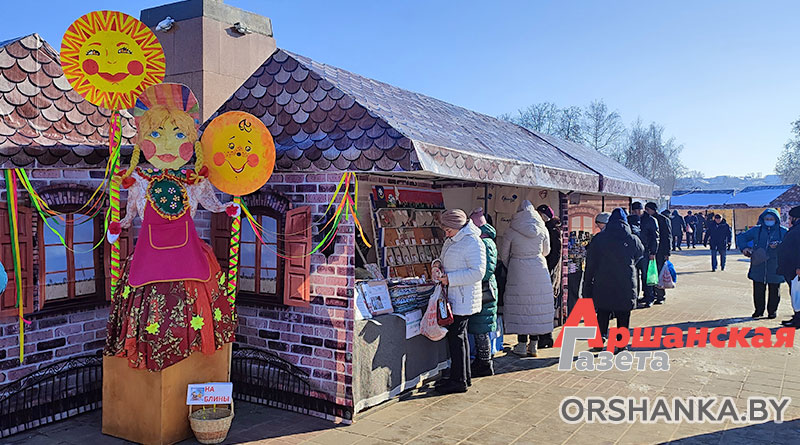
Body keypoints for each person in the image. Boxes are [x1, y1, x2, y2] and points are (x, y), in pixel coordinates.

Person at [104, 84, 239, 371]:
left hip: (189, 257)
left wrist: (226, 208)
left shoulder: (193, 181)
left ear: (191, 142)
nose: (167, 144)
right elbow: (130, 214)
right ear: (142, 141)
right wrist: (120, 225)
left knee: (197, 311)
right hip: (148, 259)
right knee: (149, 314)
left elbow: (212, 203)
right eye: (156, 135)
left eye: (178, 136)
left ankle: (194, 360)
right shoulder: (139, 182)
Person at [435, 209, 486, 394]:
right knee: (459, 337)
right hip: (453, 295)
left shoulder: (473, 242)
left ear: (457, 226)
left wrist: (450, 279)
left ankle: (459, 381)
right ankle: (463, 377)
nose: (446, 234)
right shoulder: (452, 240)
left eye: (448, 230)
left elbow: (478, 272)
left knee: (457, 337)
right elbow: (444, 259)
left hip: (463, 297)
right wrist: (437, 264)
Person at [583, 208, 644, 353]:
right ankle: (621, 344)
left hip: (603, 280)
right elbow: (640, 254)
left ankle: (599, 341)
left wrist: (587, 283)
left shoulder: (599, 239)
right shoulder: (632, 238)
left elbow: (591, 262)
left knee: (603, 312)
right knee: (623, 313)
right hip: (626, 281)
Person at [500, 200, 554, 358]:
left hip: (518, 268)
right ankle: (534, 345)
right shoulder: (542, 228)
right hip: (538, 268)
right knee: (535, 307)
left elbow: (504, 254)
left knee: (520, 307)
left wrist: (512, 264)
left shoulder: (511, 230)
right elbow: (546, 251)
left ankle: (522, 345)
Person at [736, 209, 788, 319]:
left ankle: (772, 311)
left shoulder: (783, 231)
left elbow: (790, 244)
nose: (769, 221)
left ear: (776, 220)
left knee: (774, 290)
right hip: (758, 264)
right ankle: (759, 310)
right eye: (767, 219)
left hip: (775, 265)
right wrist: (744, 248)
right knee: (758, 289)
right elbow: (741, 237)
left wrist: (779, 245)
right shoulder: (756, 230)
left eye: (771, 219)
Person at [467, 208, 498, 377]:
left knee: (481, 327)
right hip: (485, 288)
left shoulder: (485, 243)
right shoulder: (487, 240)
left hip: (485, 289)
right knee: (480, 326)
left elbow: (486, 270)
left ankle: (485, 363)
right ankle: (482, 360)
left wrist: (472, 275)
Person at [537, 205, 561, 349]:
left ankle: (546, 336)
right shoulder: (551, 228)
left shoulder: (552, 230)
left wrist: (547, 268)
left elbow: (555, 254)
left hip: (548, 272)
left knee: (545, 305)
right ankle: (545, 336)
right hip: (547, 271)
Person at [630, 202, 659, 308]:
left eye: (639, 210)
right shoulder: (631, 220)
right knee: (634, 276)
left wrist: (653, 252)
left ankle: (649, 297)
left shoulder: (651, 220)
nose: (637, 212)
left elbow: (655, 237)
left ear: (643, 210)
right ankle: (635, 297)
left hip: (646, 252)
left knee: (647, 276)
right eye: (635, 211)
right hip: (633, 252)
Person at [777, 206, 800, 328]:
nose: (789, 220)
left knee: (797, 294)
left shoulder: (798, 230)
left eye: (791, 218)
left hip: (795, 269)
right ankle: (796, 317)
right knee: (795, 293)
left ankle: (798, 319)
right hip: (791, 267)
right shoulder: (796, 229)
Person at [646, 203, 671, 304]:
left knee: (659, 273)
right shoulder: (647, 219)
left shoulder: (663, 219)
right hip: (651, 250)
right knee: (651, 273)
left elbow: (668, 237)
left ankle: (660, 296)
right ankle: (651, 294)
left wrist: (667, 252)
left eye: (647, 209)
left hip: (660, 251)